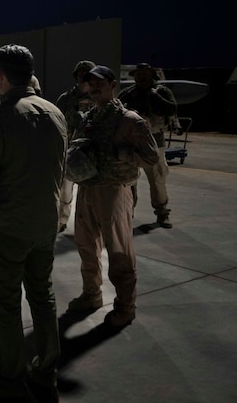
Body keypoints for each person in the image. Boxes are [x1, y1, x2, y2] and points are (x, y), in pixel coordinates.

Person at [0, 45, 67, 402]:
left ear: (1, 75)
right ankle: (47, 371)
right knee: (43, 296)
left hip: (8, 228)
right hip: (44, 225)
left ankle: (12, 382)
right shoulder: (56, 113)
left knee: (6, 306)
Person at [65, 65, 159, 328]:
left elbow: (151, 157)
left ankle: (126, 307)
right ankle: (92, 294)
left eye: (99, 83)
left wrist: (125, 155)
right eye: (90, 83)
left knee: (119, 251)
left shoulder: (129, 120)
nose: (94, 87)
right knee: (86, 246)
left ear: (112, 84)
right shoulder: (88, 118)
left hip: (114, 192)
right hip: (87, 190)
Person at [117, 63, 178, 228]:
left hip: (154, 143)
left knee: (157, 179)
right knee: (129, 180)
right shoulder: (127, 95)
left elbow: (171, 108)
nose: (141, 77)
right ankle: (128, 211)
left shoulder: (162, 92)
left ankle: (162, 213)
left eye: (145, 74)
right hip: (131, 143)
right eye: (138, 74)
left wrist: (152, 96)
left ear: (152, 75)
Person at [55, 60, 96, 232]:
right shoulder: (66, 99)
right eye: (81, 73)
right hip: (70, 151)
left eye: (88, 73)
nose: (84, 76)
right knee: (65, 189)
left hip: (93, 151)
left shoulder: (99, 96)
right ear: (76, 76)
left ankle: (92, 222)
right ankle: (62, 220)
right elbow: (56, 123)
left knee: (93, 191)